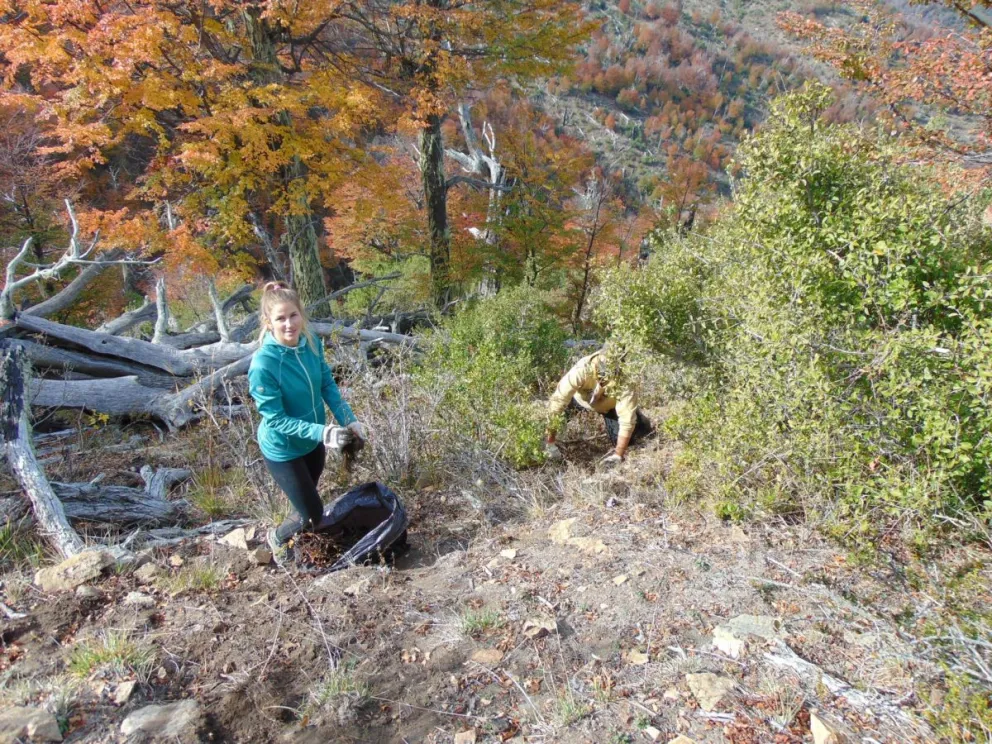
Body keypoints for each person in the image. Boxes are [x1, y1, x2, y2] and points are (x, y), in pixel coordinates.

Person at [248, 282, 367, 562]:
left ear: (301, 315)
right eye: (280, 318)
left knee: (306, 504)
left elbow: (327, 385)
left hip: (314, 443)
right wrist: (324, 433)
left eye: (293, 315)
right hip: (284, 449)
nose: (288, 324)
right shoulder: (263, 364)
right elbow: (275, 419)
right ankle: (277, 538)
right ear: (268, 322)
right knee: (313, 512)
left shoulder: (311, 342)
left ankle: (298, 535)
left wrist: (349, 421)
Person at [545, 346, 652, 468]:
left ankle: (640, 421)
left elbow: (627, 421)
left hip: (610, 407)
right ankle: (549, 441)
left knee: (632, 437)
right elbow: (556, 403)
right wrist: (550, 444)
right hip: (579, 401)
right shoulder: (581, 370)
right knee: (560, 413)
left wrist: (618, 455)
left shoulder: (625, 382)